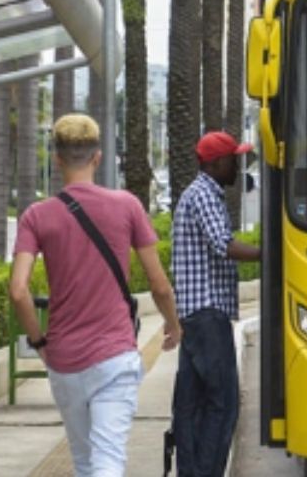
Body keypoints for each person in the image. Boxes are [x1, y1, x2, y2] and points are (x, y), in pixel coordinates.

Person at [10, 113, 182, 477]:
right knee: (108, 462)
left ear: (57, 160)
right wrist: (173, 325)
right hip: (114, 358)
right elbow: (160, 285)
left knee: (86, 462)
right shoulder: (127, 206)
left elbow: (18, 290)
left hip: (64, 361)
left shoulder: (36, 216)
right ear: (98, 157)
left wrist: (40, 342)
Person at [171, 131, 262, 477]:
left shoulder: (199, 194)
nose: (239, 166)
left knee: (191, 406)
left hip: (197, 315)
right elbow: (224, 244)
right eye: (234, 159)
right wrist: (271, 254)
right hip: (207, 314)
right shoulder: (204, 195)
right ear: (216, 162)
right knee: (223, 404)